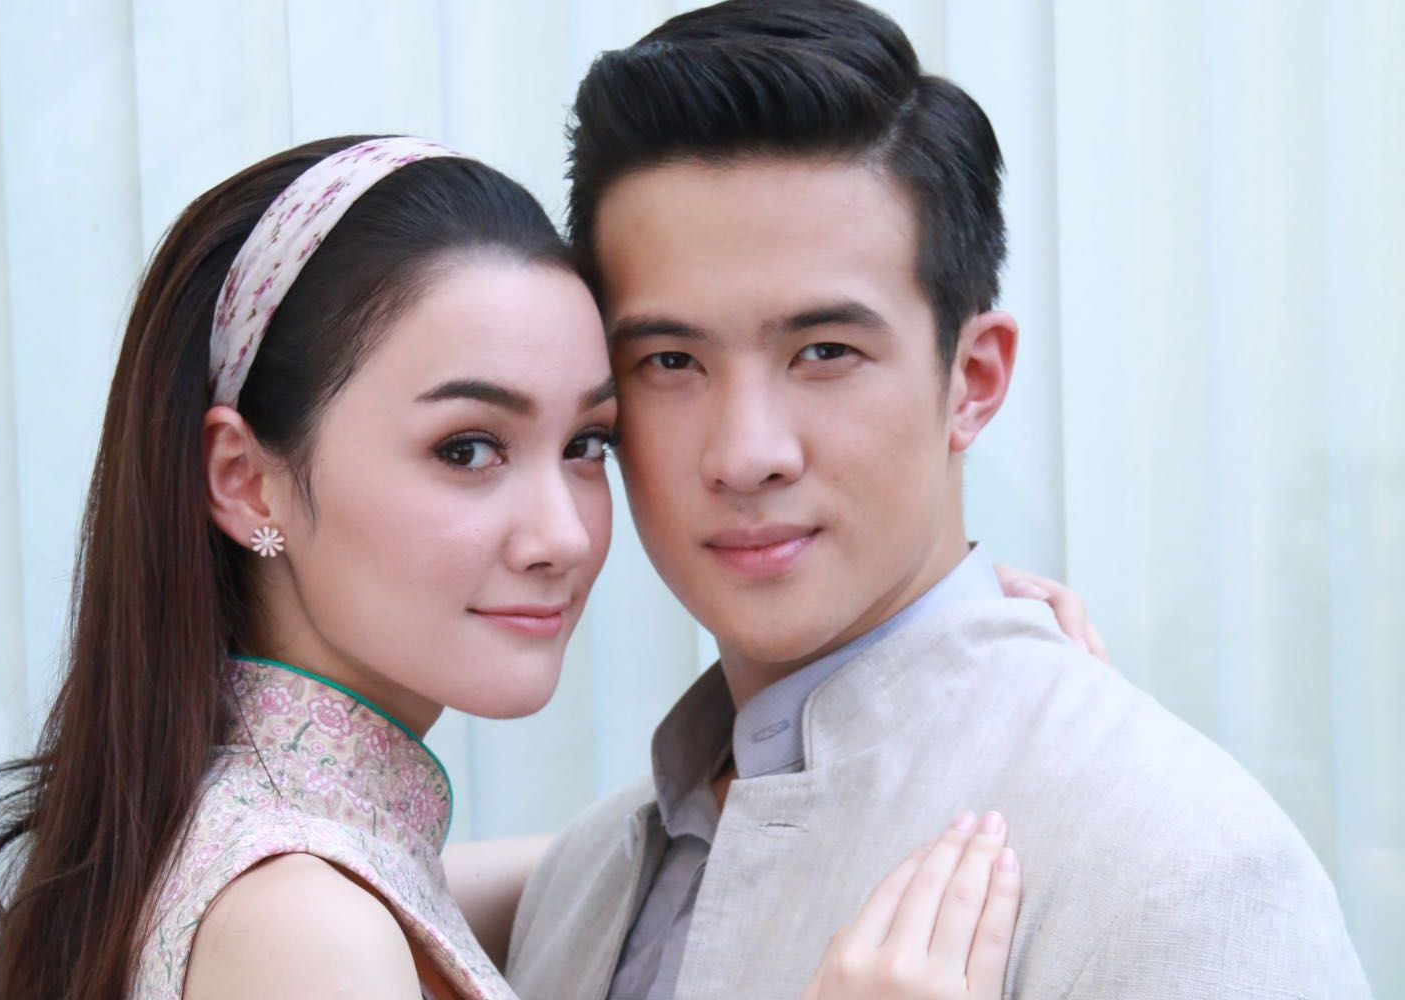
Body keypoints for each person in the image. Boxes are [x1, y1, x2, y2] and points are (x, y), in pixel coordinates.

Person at [0, 134, 1077, 999]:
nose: (562, 534)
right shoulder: (307, 925)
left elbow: (569, 871)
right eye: (467, 449)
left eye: (586, 443)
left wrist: (951, 658)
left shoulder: (284, 839)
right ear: (247, 481)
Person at [504, 3, 1374, 999]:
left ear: (973, 378)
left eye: (824, 351)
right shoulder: (582, 880)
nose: (747, 455)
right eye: (670, 360)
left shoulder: (1180, 863)